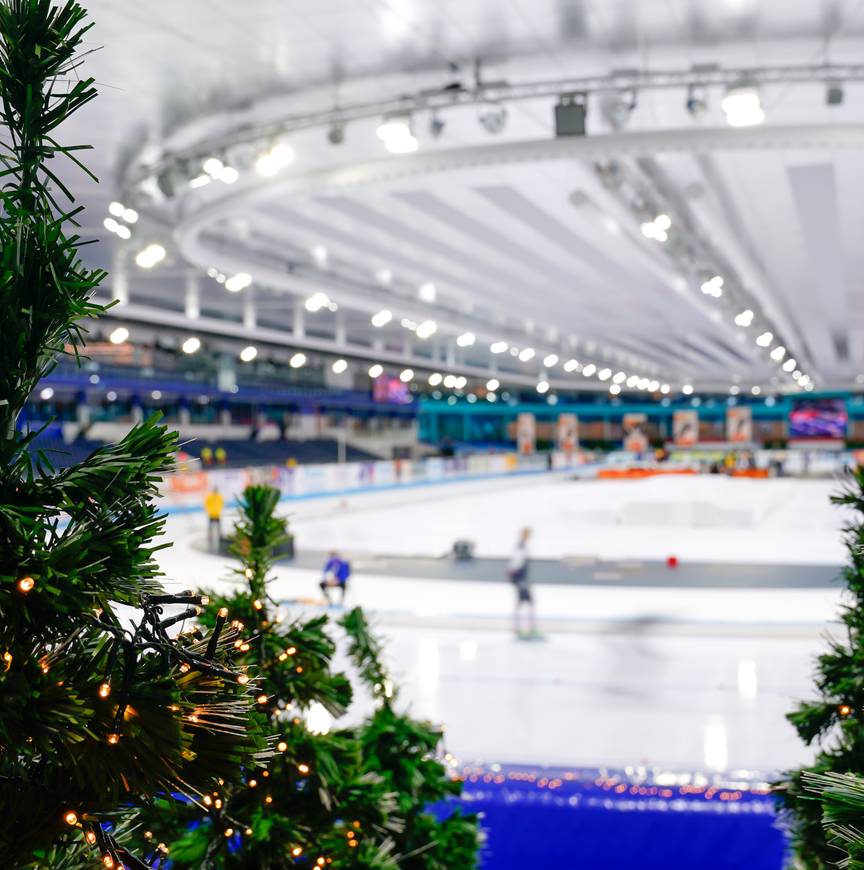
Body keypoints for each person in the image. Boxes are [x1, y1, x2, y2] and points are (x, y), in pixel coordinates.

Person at [509, 527, 539, 639]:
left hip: (521, 580)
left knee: (524, 604)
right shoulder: (520, 547)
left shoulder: (522, 546)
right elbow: (515, 565)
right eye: (527, 534)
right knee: (526, 603)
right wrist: (520, 580)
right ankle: (524, 629)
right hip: (521, 581)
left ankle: (524, 628)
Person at [204, 486, 224, 552]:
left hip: (217, 514)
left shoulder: (219, 497)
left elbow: (221, 504)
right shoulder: (210, 496)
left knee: (219, 526)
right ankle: (210, 536)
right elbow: (206, 504)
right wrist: (209, 511)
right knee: (210, 526)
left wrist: (219, 511)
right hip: (211, 514)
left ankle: (220, 536)